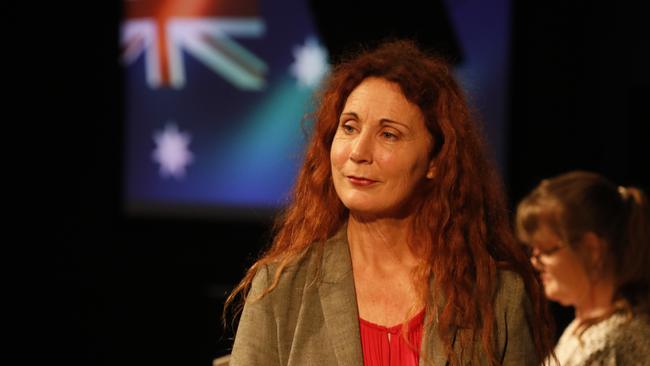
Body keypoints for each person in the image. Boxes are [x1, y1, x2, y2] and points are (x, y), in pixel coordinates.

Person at [225, 39, 554, 366]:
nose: (358, 152)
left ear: (436, 161)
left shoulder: (497, 297)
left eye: (388, 134)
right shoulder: (280, 288)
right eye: (349, 127)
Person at [515, 170, 650, 365]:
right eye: (533, 250)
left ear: (592, 250)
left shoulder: (611, 344)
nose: (534, 261)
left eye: (545, 250)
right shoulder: (587, 325)